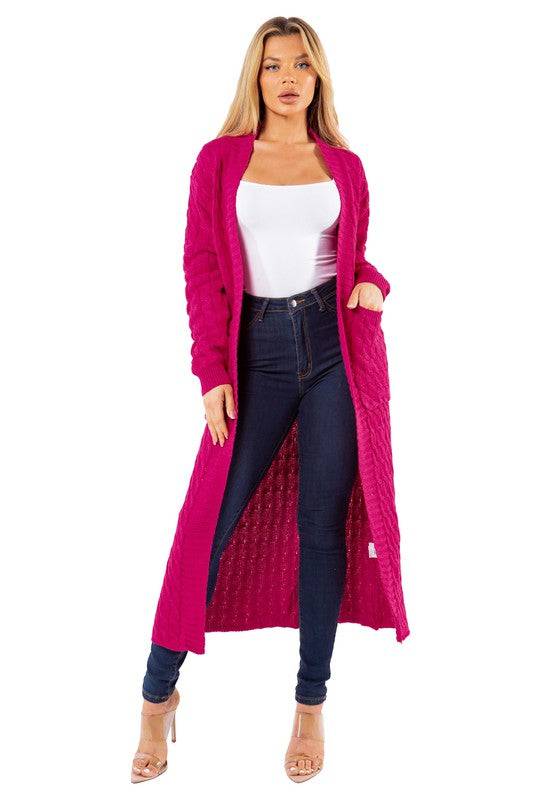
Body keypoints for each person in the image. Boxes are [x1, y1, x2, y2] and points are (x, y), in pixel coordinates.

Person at [132, 16, 399, 784]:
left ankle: (310, 703)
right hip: (254, 356)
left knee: (322, 527)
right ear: (255, 76)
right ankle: (156, 694)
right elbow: (201, 267)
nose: (287, 78)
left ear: (318, 77)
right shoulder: (221, 160)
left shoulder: (342, 164)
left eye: (301, 65)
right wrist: (212, 373)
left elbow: (352, 256)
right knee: (205, 526)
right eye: (274, 65)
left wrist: (373, 284)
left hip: (335, 351)